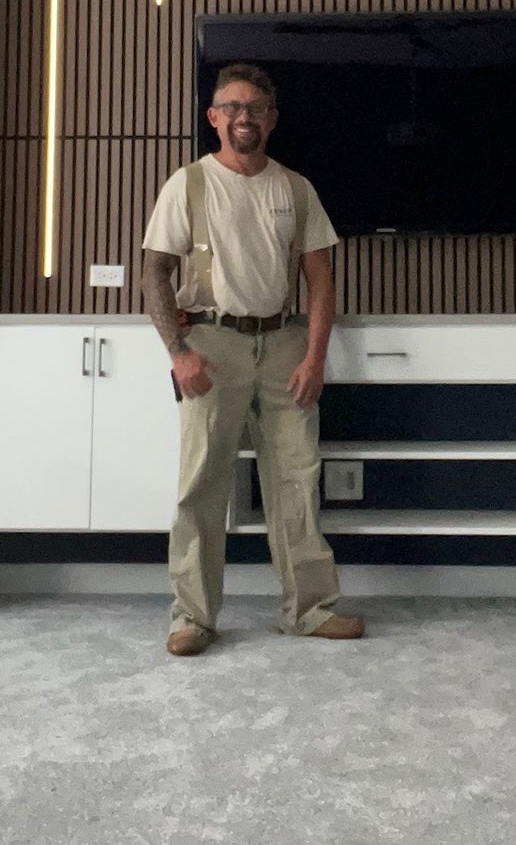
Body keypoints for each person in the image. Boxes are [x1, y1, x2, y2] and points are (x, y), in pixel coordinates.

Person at [139, 62, 365, 656]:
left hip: (284, 343)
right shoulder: (186, 184)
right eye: (232, 107)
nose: (245, 117)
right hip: (210, 345)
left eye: (256, 108)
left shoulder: (295, 188)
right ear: (214, 118)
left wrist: (315, 358)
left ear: (272, 118)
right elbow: (154, 274)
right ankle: (192, 617)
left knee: (297, 478)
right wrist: (178, 353)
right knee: (202, 483)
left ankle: (311, 610)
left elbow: (320, 281)